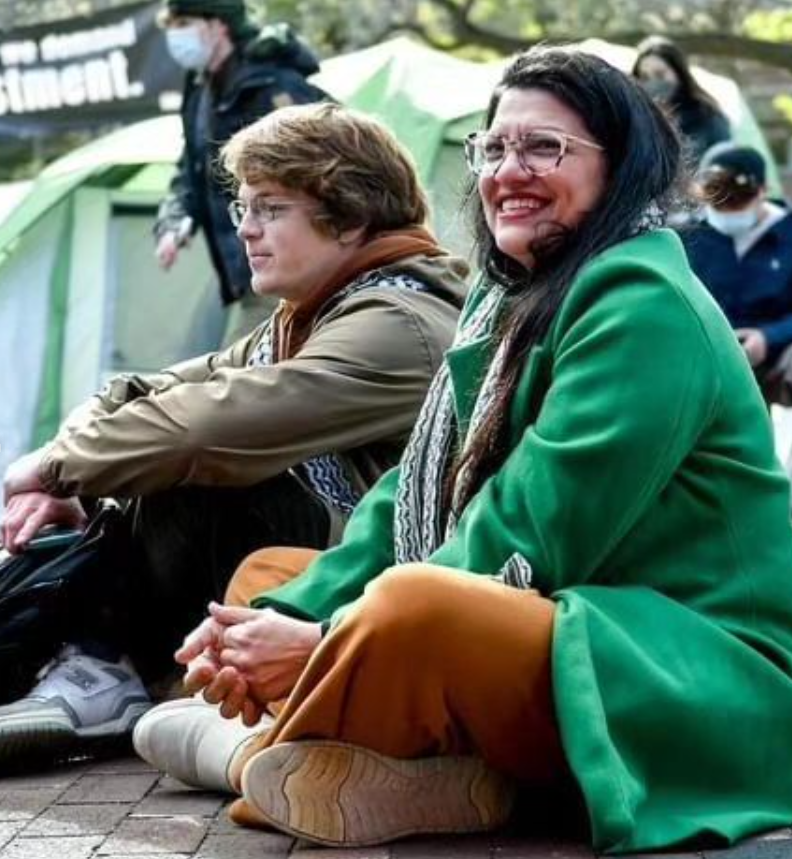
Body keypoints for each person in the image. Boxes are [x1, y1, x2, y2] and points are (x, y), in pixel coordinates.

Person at [134, 47, 792, 854]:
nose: (509, 171)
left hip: (690, 665)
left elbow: (534, 534)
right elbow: (416, 485)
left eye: (545, 148)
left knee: (411, 606)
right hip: (578, 616)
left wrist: (329, 636)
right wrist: (284, 618)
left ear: (620, 168)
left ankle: (258, 752)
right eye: (494, 148)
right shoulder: (509, 293)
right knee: (270, 576)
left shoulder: (645, 303)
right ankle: (418, 773)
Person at [0, 102, 467, 766]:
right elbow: (137, 391)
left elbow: (201, 428)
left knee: (205, 456)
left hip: (370, 596)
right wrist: (60, 466)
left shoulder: (401, 322)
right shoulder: (304, 317)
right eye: (243, 208)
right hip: (309, 582)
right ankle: (95, 666)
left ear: (352, 213)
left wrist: (57, 469)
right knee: (135, 464)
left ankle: (110, 668)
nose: (245, 229)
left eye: (271, 208)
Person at [155, 0, 325, 344]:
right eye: (170, 24)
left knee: (241, 379)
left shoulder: (274, 85)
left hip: (293, 267)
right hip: (250, 272)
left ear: (220, 25)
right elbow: (192, 166)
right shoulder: (200, 88)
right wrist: (175, 218)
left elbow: (325, 164)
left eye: (184, 22)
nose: (174, 34)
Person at [682, 143, 792, 404]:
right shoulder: (691, 237)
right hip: (705, 354)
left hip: (774, 355)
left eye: (737, 202)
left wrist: (768, 337)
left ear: (763, 191)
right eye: (719, 203)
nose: (728, 211)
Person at [632, 35, 730, 166]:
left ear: (678, 73)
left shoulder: (707, 117)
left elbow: (725, 165)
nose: (653, 83)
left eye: (660, 74)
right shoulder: (636, 119)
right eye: (645, 77)